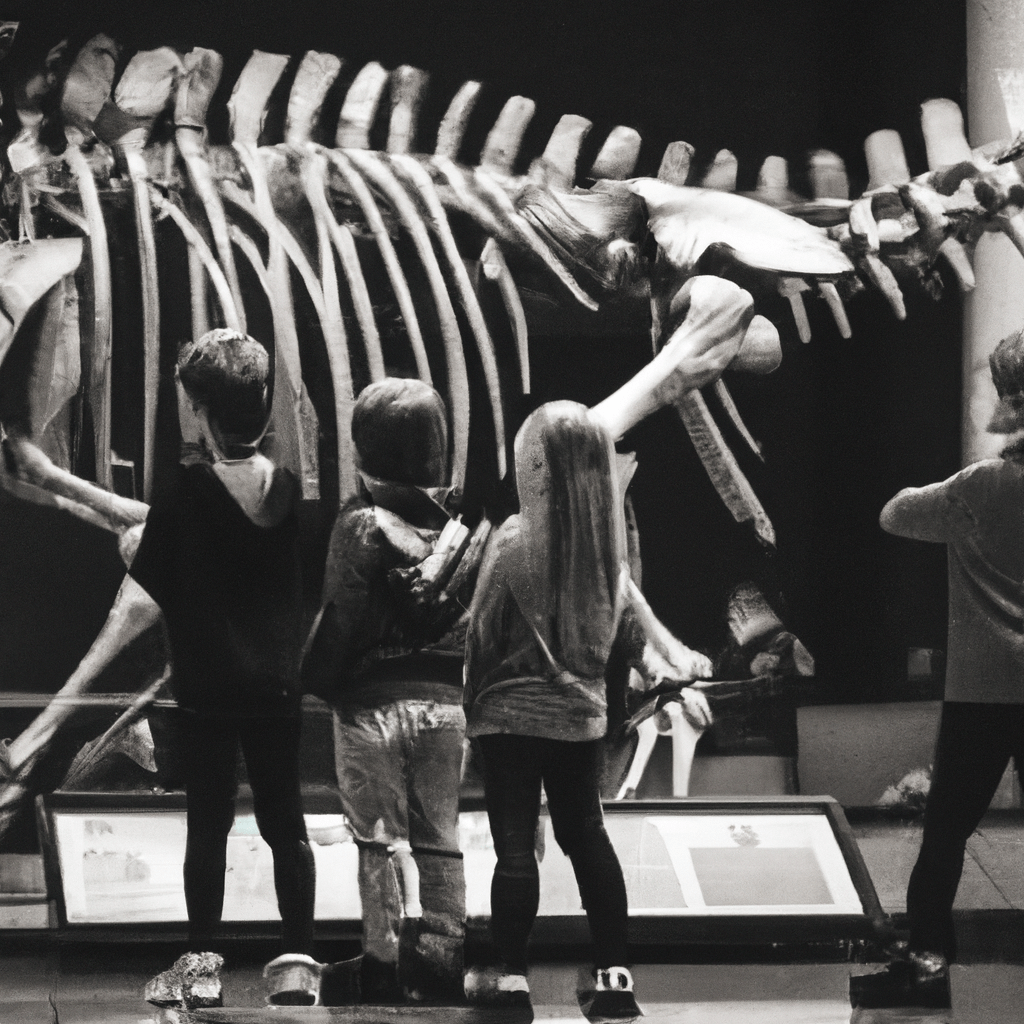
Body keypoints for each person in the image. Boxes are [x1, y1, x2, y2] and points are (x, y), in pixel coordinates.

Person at [463, 401, 713, 1021]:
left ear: (536, 467)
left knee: (515, 850)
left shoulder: (513, 539)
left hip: (508, 722)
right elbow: (624, 642)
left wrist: (473, 712)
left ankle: (513, 979)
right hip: (579, 723)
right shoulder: (608, 557)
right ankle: (615, 972)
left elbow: (483, 633)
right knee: (587, 839)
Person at [137, 329, 316, 1008]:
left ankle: (202, 969)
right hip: (276, 687)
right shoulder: (290, 490)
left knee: (208, 824)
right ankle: (297, 961)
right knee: (285, 822)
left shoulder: (183, 494)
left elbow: (152, 577)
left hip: (208, 692)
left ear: (198, 408)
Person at [863, 326, 1024, 1007]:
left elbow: (895, 514)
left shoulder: (979, 487)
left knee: (947, 831)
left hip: (982, 690)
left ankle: (926, 963)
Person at [303, 377, 469, 1004]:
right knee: (440, 834)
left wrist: (321, 683)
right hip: (447, 708)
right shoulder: (460, 530)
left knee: (378, 836)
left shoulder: (362, 525)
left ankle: (383, 961)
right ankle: (445, 955)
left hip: (371, 707)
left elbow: (342, 615)